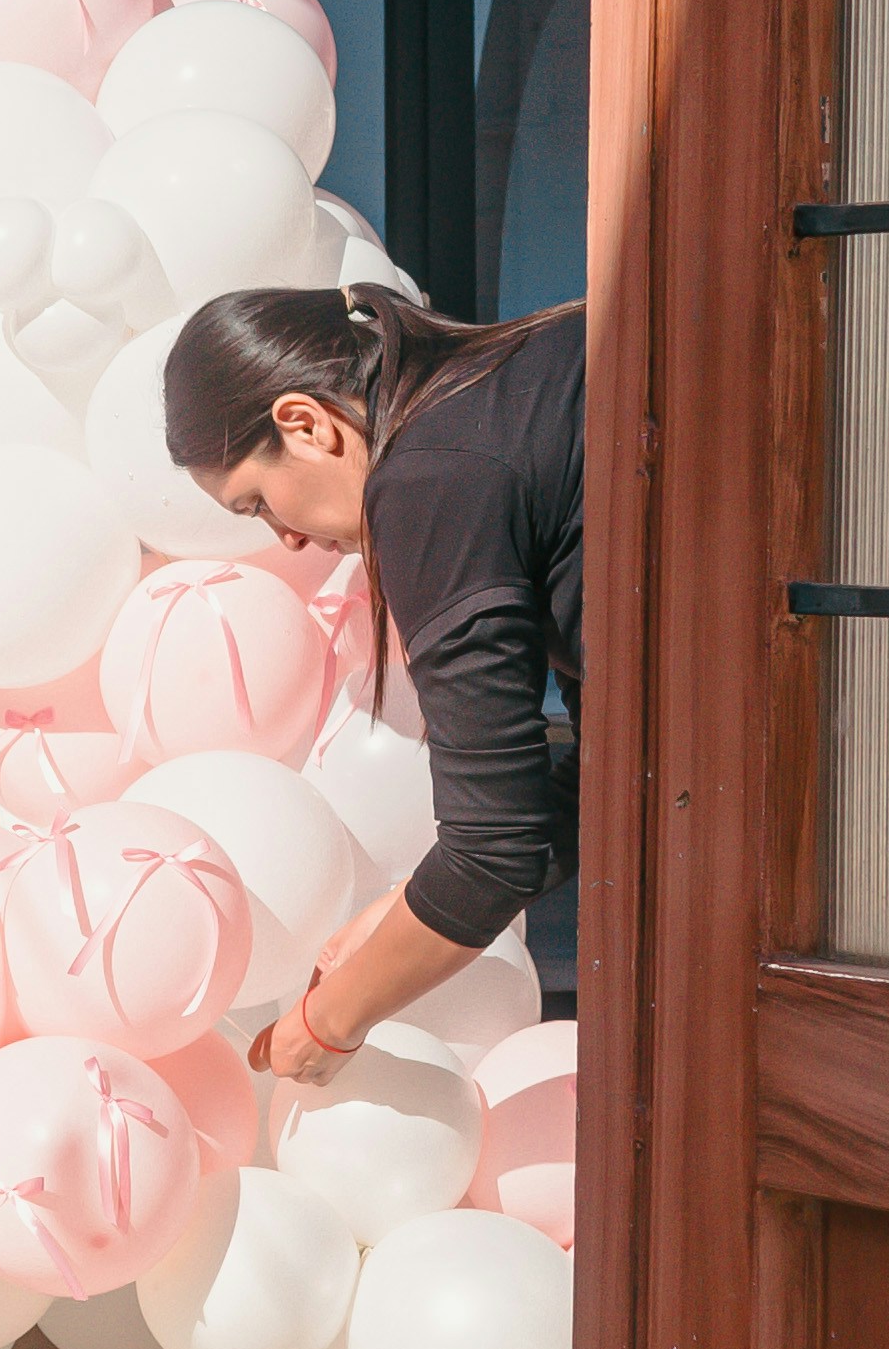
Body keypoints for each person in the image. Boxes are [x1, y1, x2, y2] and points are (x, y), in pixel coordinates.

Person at [161, 280, 584, 1092]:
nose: (286, 538)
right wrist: (402, 910)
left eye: (256, 502)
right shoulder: (510, 377)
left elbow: (494, 851)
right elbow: (614, 768)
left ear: (305, 422)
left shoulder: (424, 486)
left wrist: (327, 1023)